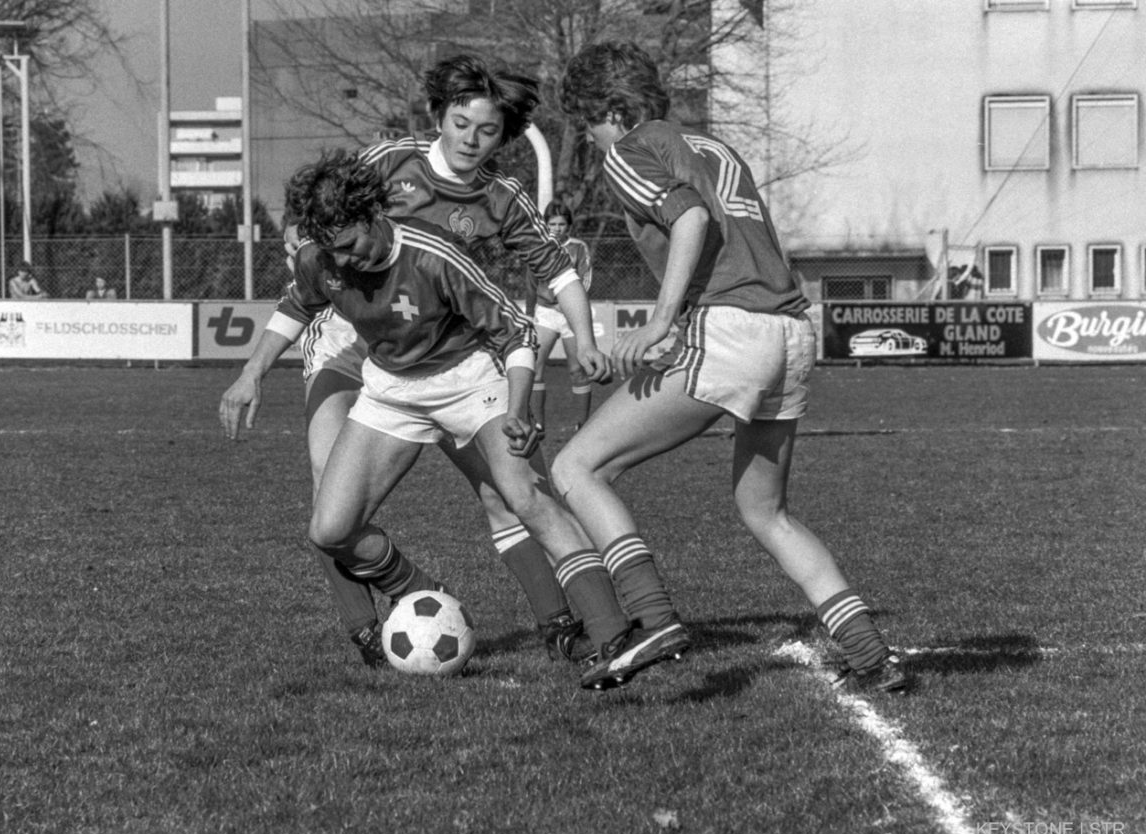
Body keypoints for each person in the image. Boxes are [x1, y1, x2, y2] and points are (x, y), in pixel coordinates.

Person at [222, 55, 634, 673]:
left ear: (503, 136)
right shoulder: (383, 168)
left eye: (487, 130)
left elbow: (550, 282)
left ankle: (575, 625)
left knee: (512, 493)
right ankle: (385, 615)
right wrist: (254, 363)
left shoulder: (489, 209)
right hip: (361, 345)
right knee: (328, 507)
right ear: (438, 116)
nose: (470, 140)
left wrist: (581, 338)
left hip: (457, 352)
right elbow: (316, 226)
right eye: (460, 124)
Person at [552, 42, 910, 693]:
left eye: (587, 123)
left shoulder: (629, 148)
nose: (590, 137)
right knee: (764, 510)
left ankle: (653, 619)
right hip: (789, 331)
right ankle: (870, 653)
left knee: (576, 467)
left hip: (732, 329)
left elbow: (689, 216)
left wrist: (661, 321)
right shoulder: (715, 148)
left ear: (611, 110)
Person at [529, 201, 595, 432]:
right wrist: (529, 315)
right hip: (545, 313)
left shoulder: (578, 247)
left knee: (577, 370)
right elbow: (530, 282)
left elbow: (586, 279)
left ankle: (582, 425)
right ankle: (538, 424)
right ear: (545, 225)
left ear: (569, 226)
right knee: (534, 367)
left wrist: (570, 304)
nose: (557, 228)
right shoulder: (538, 247)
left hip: (571, 317)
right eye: (552, 224)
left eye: (561, 224)